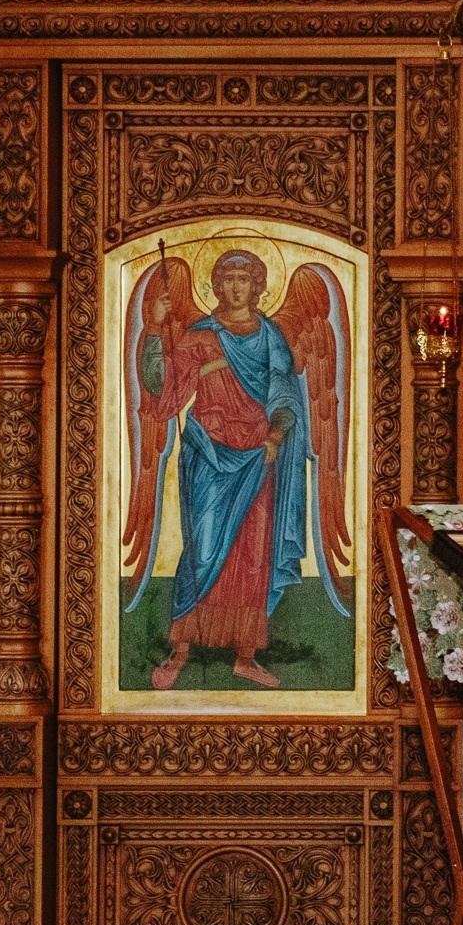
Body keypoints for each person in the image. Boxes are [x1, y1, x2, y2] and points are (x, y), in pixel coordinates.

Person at [135, 251, 310, 689]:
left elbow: (286, 395)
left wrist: (273, 437)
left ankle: (245, 657)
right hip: (210, 456)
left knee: (253, 554)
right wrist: (155, 328)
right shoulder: (199, 337)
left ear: (257, 286)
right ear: (216, 285)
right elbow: (164, 391)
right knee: (204, 548)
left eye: (244, 279)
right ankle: (180, 652)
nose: (235, 287)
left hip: (258, 456)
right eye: (227, 278)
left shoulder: (271, 338)